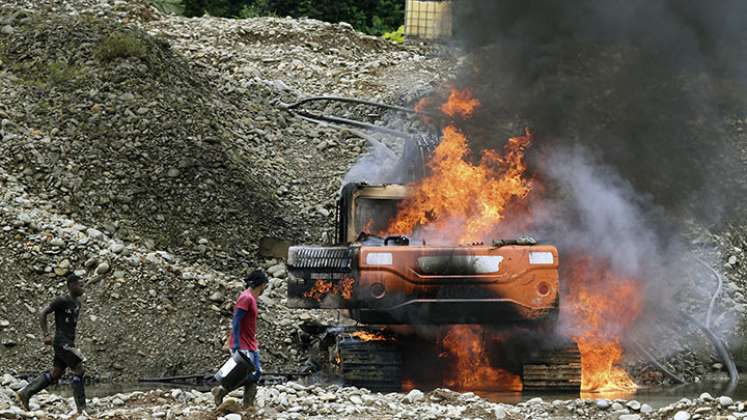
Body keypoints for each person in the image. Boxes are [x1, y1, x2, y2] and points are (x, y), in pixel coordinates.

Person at [16, 273, 87, 415]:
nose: (83, 286)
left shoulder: (77, 303)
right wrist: (46, 334)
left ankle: (25, 393)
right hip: (62, 341)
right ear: (71, 285)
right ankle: (82, 409)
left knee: (56, 373)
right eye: (80, 284)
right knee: (78, 369)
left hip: (68, 341)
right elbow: (43, 313)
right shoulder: (61, 300)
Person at [212, 270, 268, 409]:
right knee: (247, 373)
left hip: (251, 342)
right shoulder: (246, 298)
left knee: (256, 373)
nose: (265, 288)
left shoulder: (252, 298)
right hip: (242, 343)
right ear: (260, 284)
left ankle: (248, 405)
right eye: (264, 285)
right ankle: (222, 391)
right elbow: (236, 320)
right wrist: (235, 343)